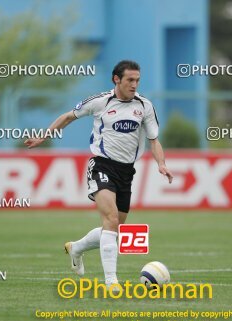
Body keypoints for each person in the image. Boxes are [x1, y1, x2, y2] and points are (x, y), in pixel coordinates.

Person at [24, 60, 173, 288]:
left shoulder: (145, 106)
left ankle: (76, 248)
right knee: (111, 219)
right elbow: (68, 117)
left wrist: (161, 164)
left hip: (126, 171)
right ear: (117, 79)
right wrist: (44, 136)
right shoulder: (100, 102)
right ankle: (111, 281)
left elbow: (154, 140)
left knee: (114, 228)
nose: (134, 85)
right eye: (130, 80)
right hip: (102, 165)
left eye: (137, 80)